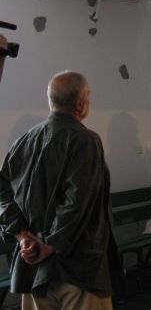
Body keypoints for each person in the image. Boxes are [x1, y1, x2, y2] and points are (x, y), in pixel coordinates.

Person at [0, 71, 120, 310]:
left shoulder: (24, 140)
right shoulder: (85, 140)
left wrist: (23, 237)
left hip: (33, 268)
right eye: (88, 96)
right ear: (80, 103)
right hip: (78, 271)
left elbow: (2, 191)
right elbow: (77, 202)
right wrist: (50, 245)